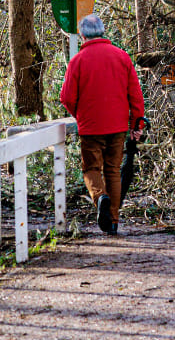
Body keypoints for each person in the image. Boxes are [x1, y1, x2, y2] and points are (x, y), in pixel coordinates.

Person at [59, 16, 145, 234]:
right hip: (118, 126)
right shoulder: (122, 57)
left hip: (91, 127)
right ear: (104, 31)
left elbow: (67, 97)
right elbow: (136, 96)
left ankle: (100, 197)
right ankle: (113, 222)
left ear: (82, 35)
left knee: (91, 168)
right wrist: (137, 126)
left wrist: (79, 114)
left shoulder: (78, 61)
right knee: (113, 171)